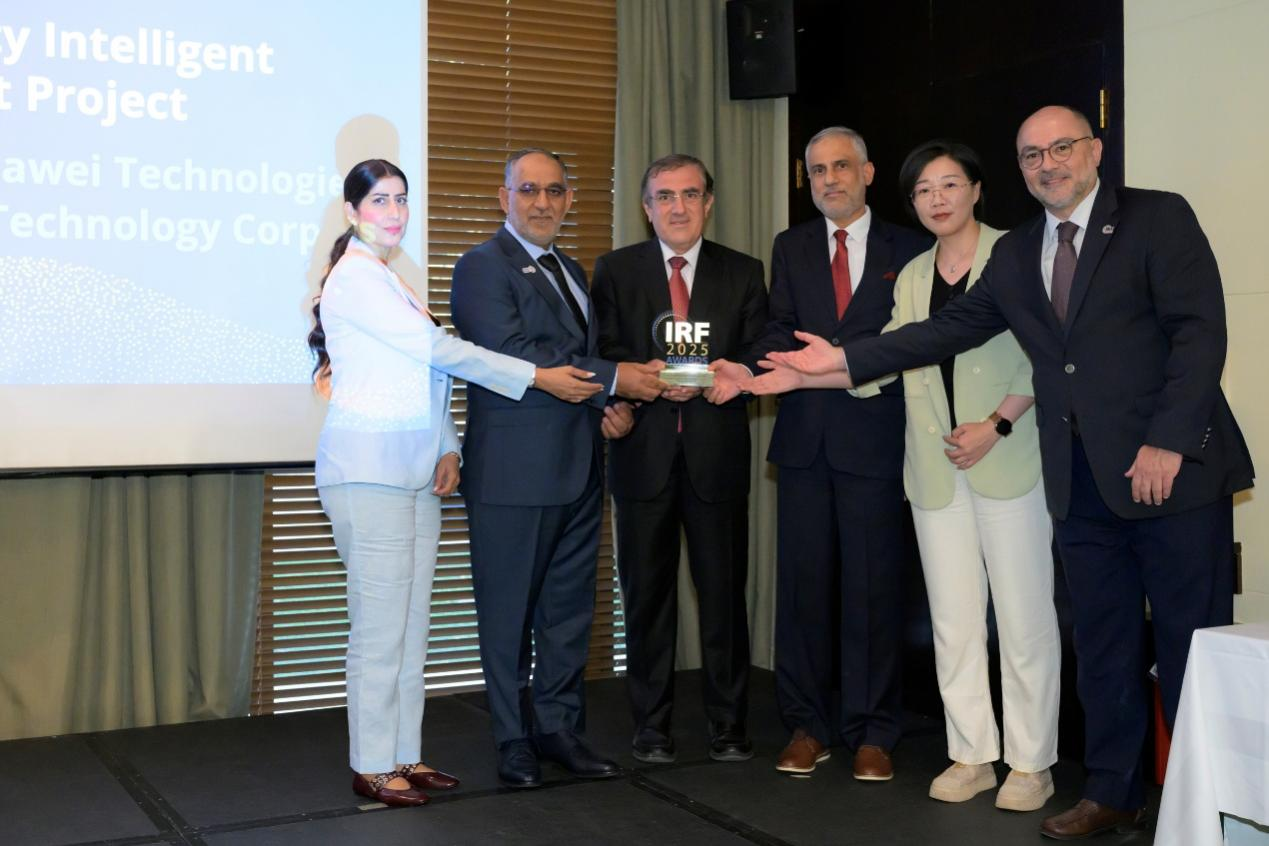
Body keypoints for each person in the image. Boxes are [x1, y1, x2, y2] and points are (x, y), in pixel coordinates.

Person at [751, 106, 1254, 839]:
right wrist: (836, 362)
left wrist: (1166, 442)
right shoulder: (1018, 253)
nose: (1048, 164)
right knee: (1105, 648)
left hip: (1171, 475)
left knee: (1188, 649)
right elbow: (945, 330)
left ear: (1095, 150)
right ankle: (1112, 792)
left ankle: (1212, 814)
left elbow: (1199, 332)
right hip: (1079, 482)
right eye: (1031, 155)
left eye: (1061, 147)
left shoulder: (1155, 217)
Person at [310, 159, 605, 807]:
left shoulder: (390, 277)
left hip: (414, 473)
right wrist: (535, 376)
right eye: (379, 201)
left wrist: (447, 444)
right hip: (368, 472)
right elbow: (439, 352)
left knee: (410, 625)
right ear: (352, 212)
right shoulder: (355, 277)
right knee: (378, 629)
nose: (393, 212)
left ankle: (403, 756)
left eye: (401, 200)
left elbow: (426, 375)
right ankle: (371, 764)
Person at [781, 139, 1062, 810]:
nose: (937, 200)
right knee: (953, 621)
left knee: (1022, 618)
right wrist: (801, 373)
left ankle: (1031, 763)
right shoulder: (910, 274)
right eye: (923, 191)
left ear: (976, 190)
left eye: (949, 185)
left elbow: (1047, 354)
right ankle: (971, 754)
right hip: (935, 470)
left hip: (1006, 458)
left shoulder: (1017, 255)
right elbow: (890, 357)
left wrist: (996, 424)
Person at [710, 127, 930, 781]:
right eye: (817, 170)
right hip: (804, 441)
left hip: (876, 439)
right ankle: (807, 726)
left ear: (867, 172)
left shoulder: (910, 246)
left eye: (841, 166)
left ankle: (873, 732)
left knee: (872, 590)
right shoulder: (792, 244)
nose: (829, 179)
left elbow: (911, 338)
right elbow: (779, 326)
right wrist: (753, 366)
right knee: (803, 590)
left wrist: (837, 360)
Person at [449, 148, 666, 789]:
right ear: (504, 198)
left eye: (554, 191)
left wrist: (610, 408)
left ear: (569, 199)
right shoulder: (480, 266)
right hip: (513, 478)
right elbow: (514, 353)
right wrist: (618, 379)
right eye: (528, 190)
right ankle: (512, 740)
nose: (541, 202)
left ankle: (558, 730)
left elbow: (578, 360)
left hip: (580, 469)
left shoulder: (571, 269)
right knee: (508, 616)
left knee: (567, 615)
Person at [591, 153, 768, 764]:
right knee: (647, 600)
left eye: (691, 194)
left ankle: (729, 724)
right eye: (664, 196)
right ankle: (651, 726)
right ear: (647, 208)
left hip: (717, 456)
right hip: (643, 455)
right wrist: (631, 384)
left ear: (708, 204)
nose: (678, 207)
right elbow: (600, 350)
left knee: (723, 598)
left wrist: (729, 374)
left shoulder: (743, 272)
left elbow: (760, 349)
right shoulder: (616, 270)